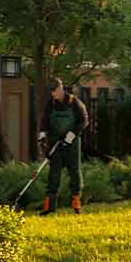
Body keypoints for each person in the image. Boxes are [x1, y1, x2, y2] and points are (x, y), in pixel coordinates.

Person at [36, 79, 89, 214]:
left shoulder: (74, 102)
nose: (53, 94)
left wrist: (70, 137)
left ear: (60, 88)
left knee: (74, 171)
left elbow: (84, 121)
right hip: (55, 142)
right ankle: (49, 206)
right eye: (51, 92)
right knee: (54, 173)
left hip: (72, 142)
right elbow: (44, 121)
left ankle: (76, 202)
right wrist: (42, 136)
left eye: (54, 91)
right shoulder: (50, 103)